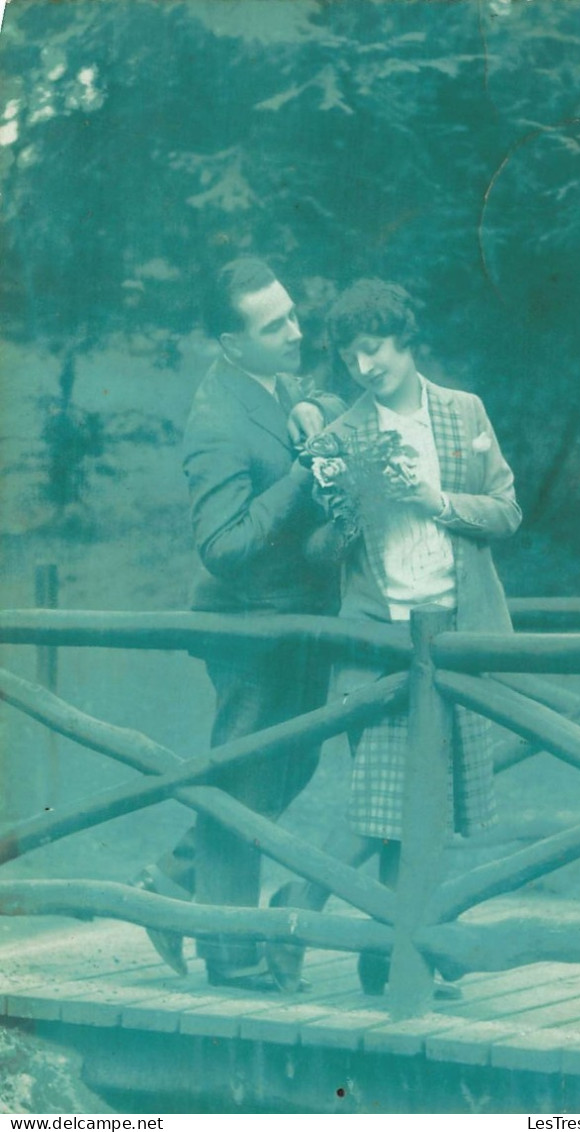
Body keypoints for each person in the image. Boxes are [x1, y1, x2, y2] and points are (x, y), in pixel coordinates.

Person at [267, 278, 521, 996]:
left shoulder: (461, 413)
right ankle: (308, 909)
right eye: (349, 357)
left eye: (373, 349)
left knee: (427, 809)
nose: (364, 367)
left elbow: (506, 511)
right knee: (384, 799)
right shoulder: (340, 435)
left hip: (456, 636)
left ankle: (388, 952)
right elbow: (316, 549)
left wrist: (432, 500)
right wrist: (350, 512)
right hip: (380, 641)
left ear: (404, 339)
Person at [141, 257, 345, 988]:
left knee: (287, 769)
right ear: (231, 344)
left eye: (291, 313)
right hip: (249, 626)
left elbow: (313, 391)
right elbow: (222, 547)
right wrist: (301, 475)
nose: (295, 331)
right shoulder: (215, 422)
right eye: (274, 325)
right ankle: (227, 954)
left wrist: (313, 409)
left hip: (300, 618)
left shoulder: (276, 382)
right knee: (243, 779)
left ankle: (171, 880)